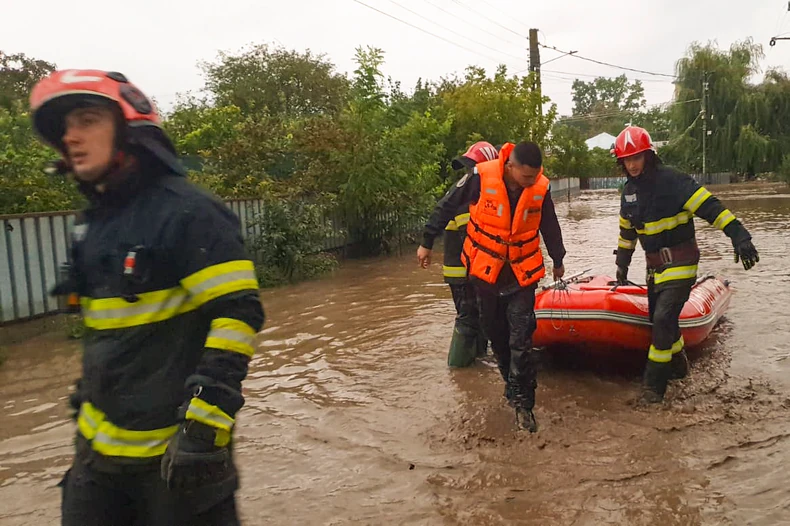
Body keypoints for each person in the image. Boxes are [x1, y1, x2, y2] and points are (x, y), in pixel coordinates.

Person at [30, 69, 265, 525]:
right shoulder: (93, 223)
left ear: (129, 128)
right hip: (97, 466)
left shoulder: (189, 213)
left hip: (176, 467)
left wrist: (204, 429)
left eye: (86, 120)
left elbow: (238, 313)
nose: (71, 137)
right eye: (64, 128)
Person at [418, 141, 567, 432]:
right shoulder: (478, 178)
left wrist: (558, 259)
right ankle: (512, 388)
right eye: (525, 177)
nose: (530, 182)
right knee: (496, 337)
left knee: (521, 340)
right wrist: (426, 242)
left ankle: (525, 407)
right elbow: (446, 205)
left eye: (534, 177)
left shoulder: (540, 188)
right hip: (485, 275)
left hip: (521, 276)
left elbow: (549, 224)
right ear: (510, 166)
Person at [612, 125, 759, 404]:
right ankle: (679, 366)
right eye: (626, 160)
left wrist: (739, 235)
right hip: (654, 269)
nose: (631, 164)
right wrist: (621, 267)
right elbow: (627, 234)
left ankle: (653, 390)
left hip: (681, 262)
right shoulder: (628, 193)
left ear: (649, 156)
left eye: (637, 157)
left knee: (664, 318)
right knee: (661, 322)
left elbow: (710, 207)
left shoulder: (674, 182)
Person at [421, 141, 499, 367]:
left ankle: (478, 362)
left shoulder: (461, 191)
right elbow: (473, 239)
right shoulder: (469, 197)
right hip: (465, 270)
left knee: (480, 317)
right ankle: (458, 369)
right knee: (468, 318)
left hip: (466, 269)